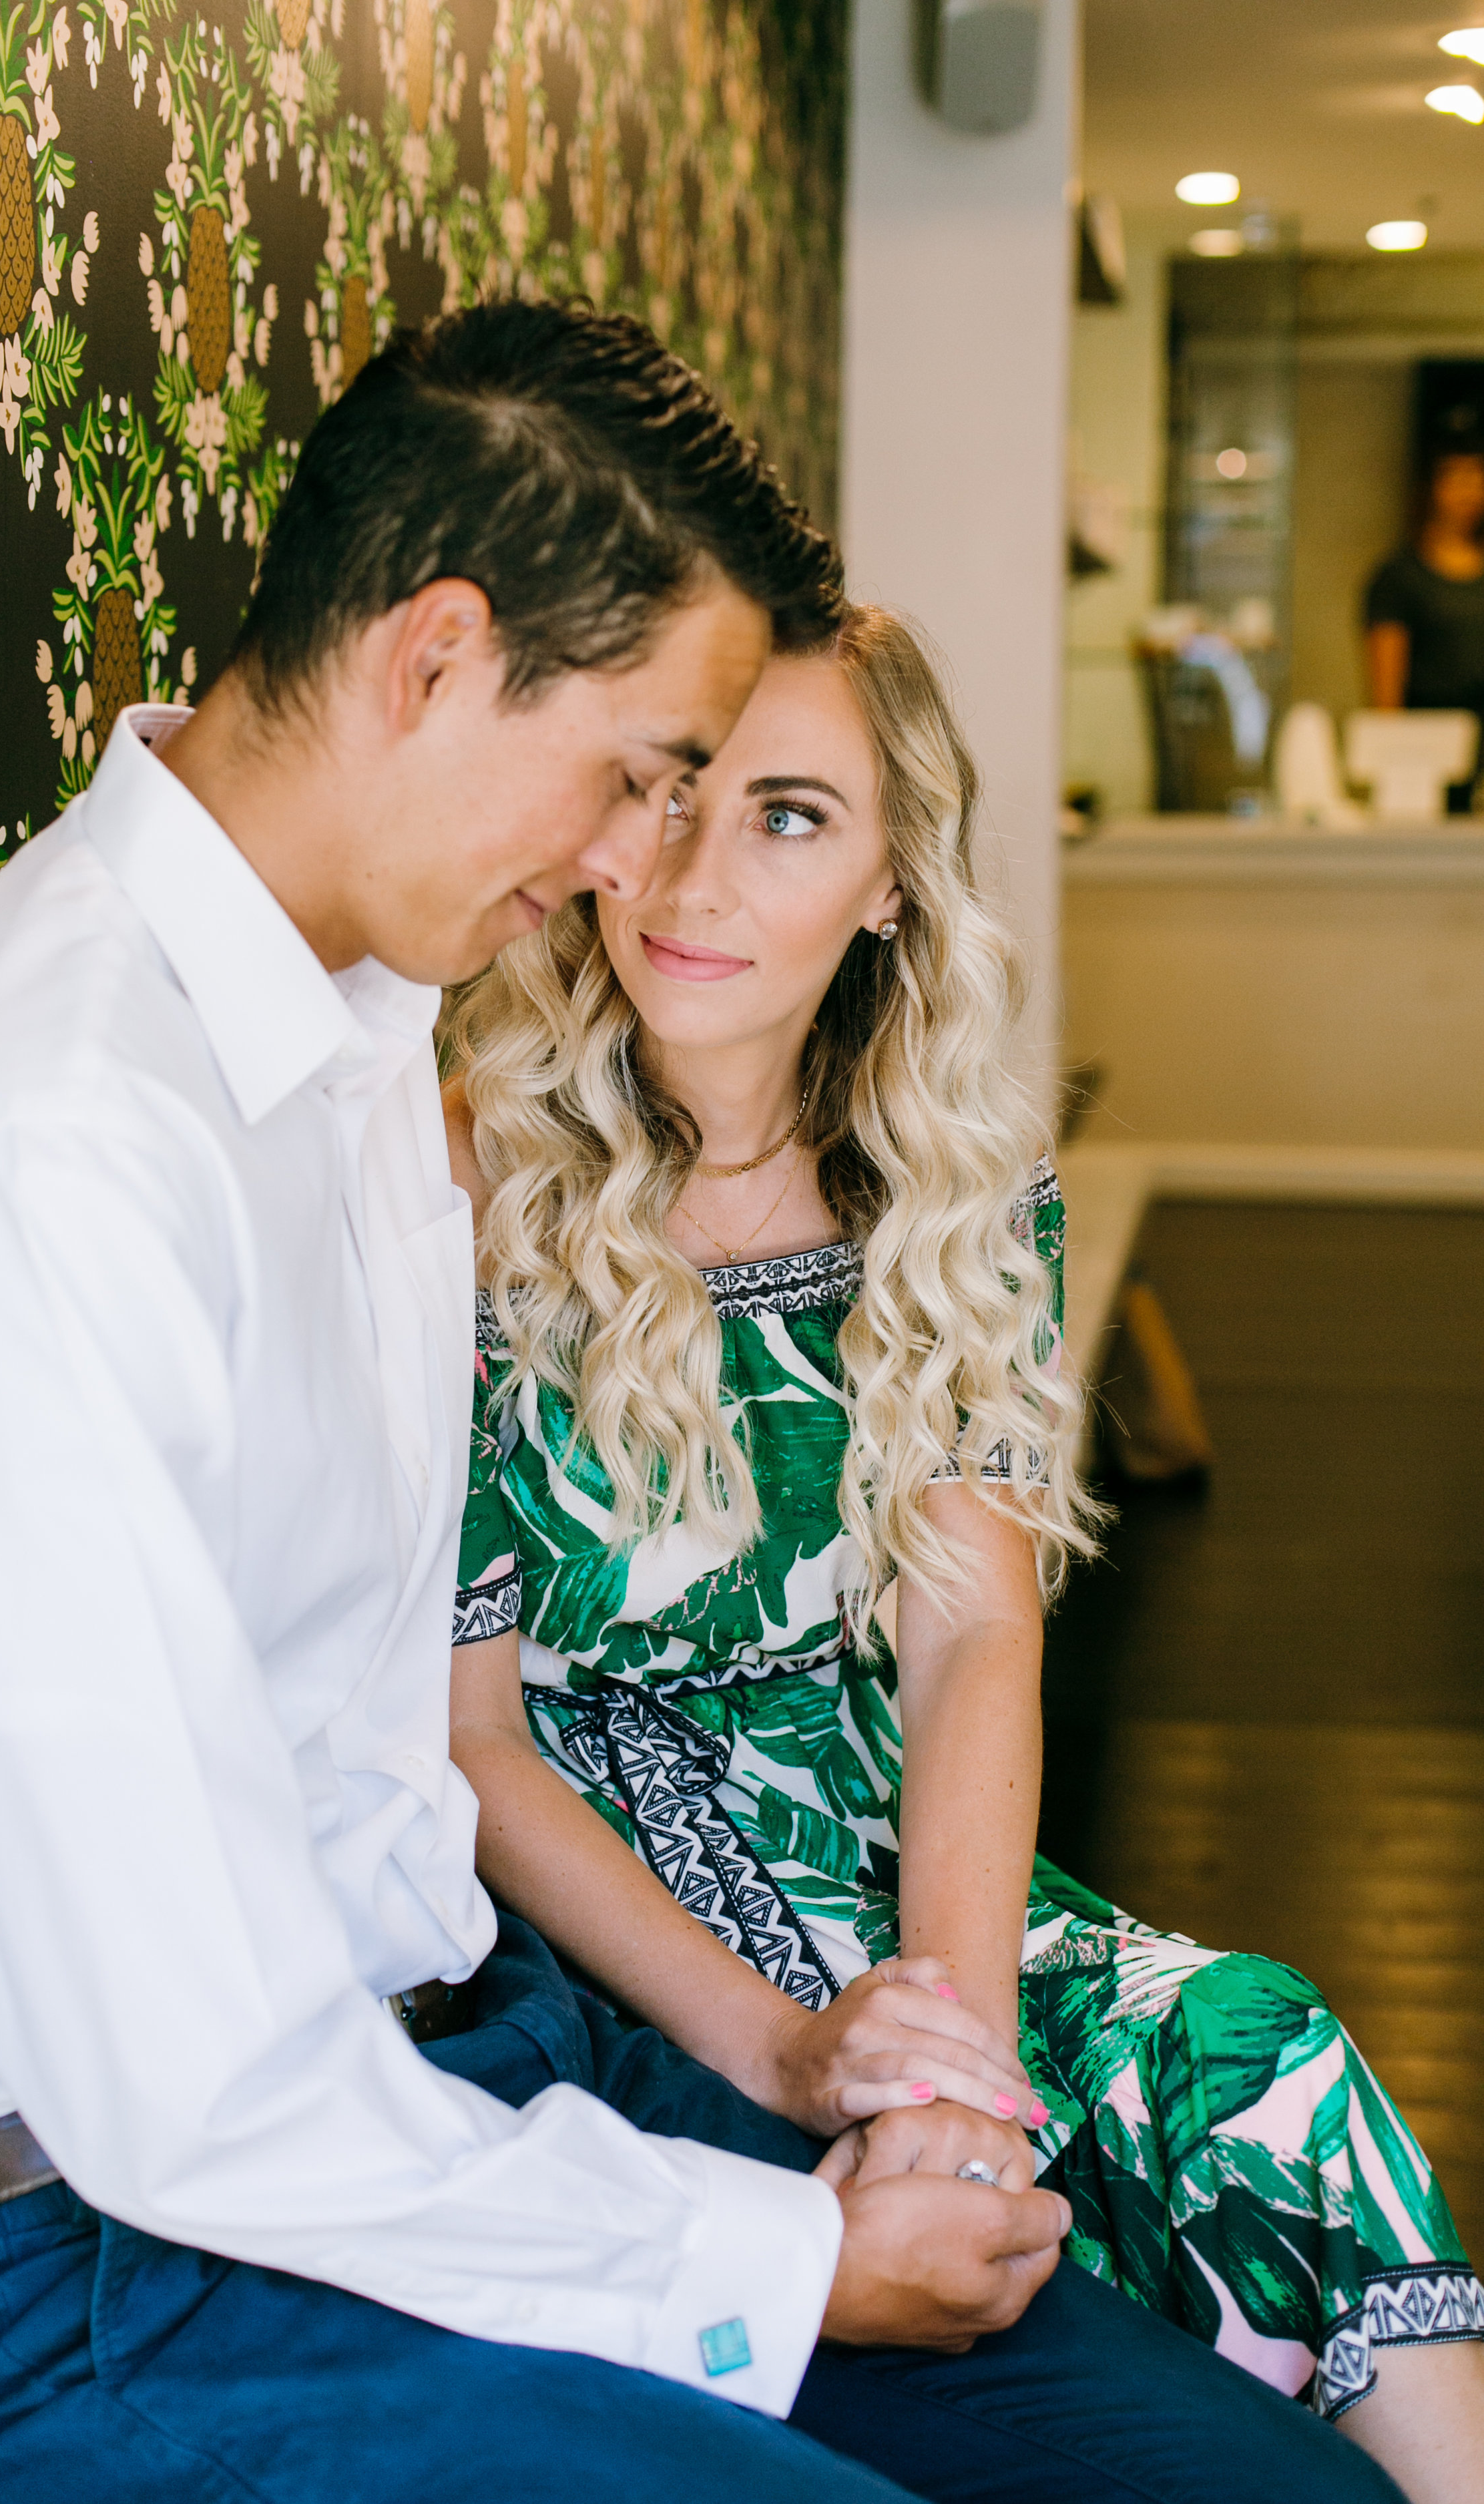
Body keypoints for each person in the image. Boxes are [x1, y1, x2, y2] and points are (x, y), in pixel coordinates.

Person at [0, 300, 1408, 2504]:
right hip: (134, 2269)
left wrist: (804, 2100)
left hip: (486, 2077)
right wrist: (784, 2263)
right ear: (441, 658)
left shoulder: (370, 1032)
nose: (628, 861)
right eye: (642, 768)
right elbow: (190, 2085)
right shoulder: (34, 1141)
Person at [445, 601, 1484, 2504]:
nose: (689, 872)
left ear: (890, 887)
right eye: (667, 795)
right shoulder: (465, 1178)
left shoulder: (955, 1190)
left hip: (885, 1837)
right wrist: (789, 2051)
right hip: (600, 1914)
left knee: (1269, 2056)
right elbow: (472, 1740)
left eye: (785, 816)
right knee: (1028, 2276)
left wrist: (956, 2055)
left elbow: (969, 1640)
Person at [1365, 445, 1484, 811]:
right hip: (1430, 747)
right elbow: (1387, 684)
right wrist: (1393, 757)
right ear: (1432, 488)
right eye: (1456, 479)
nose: (1467, 492)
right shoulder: (1399, 578)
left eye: (1476, 478)